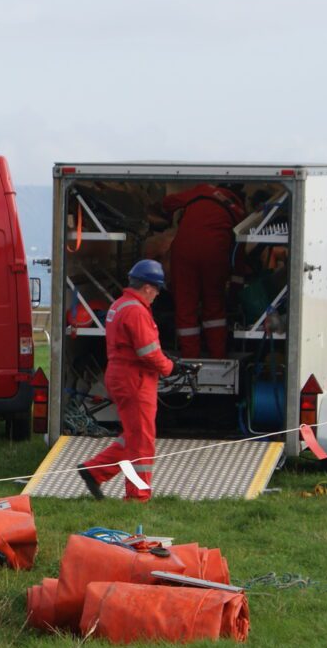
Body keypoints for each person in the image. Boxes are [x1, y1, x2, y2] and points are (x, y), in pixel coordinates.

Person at [77, 260, 175, 502]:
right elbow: (148, 352)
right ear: (148, 287)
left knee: (132, 436)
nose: (158, 294)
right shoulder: (137, 311)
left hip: (123, 376)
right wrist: (169, 366)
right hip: (136, 380)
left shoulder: (120, 305)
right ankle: (137, 495)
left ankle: (94, 471)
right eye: (157, 288)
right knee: (141, 440)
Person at [160, 182, 246, 359]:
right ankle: (218, 357)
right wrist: (236, 288)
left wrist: (172, 216)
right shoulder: (239, 212)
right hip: (215, 253)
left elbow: (167, 202)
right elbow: (238, 252)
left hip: (184, 252)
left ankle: (190, 359)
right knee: (214, 307)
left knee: (185, 306)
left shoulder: (201, 191)